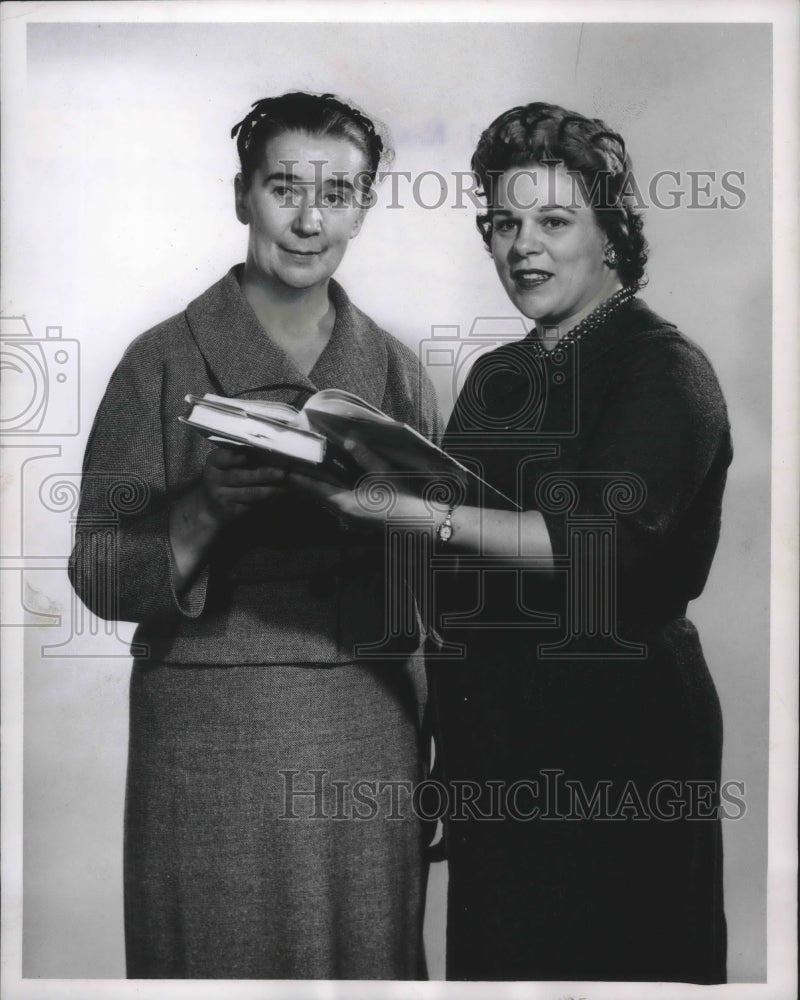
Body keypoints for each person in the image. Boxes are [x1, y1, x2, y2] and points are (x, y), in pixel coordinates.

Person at [294, 101, 731, 983]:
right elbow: (455, 568)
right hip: (496, 744)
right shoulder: (500, 376)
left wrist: (408, 511)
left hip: (619, 750)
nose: (522, 246)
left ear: (611, 233)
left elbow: (591, 549)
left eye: (554, 221)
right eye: (504, 223)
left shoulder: (663, 368)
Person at [68, 92, 440, 980]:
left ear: (364, 206)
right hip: (206, 734)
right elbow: (93, 569)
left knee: (366, 965)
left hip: (370, 726)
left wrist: (444, 747)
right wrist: (205, 508)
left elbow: (434, 588)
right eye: (285, 189)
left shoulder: (394, 369)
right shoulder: (159, 362)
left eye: (339, 194)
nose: (311, 220)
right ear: (242, 197)